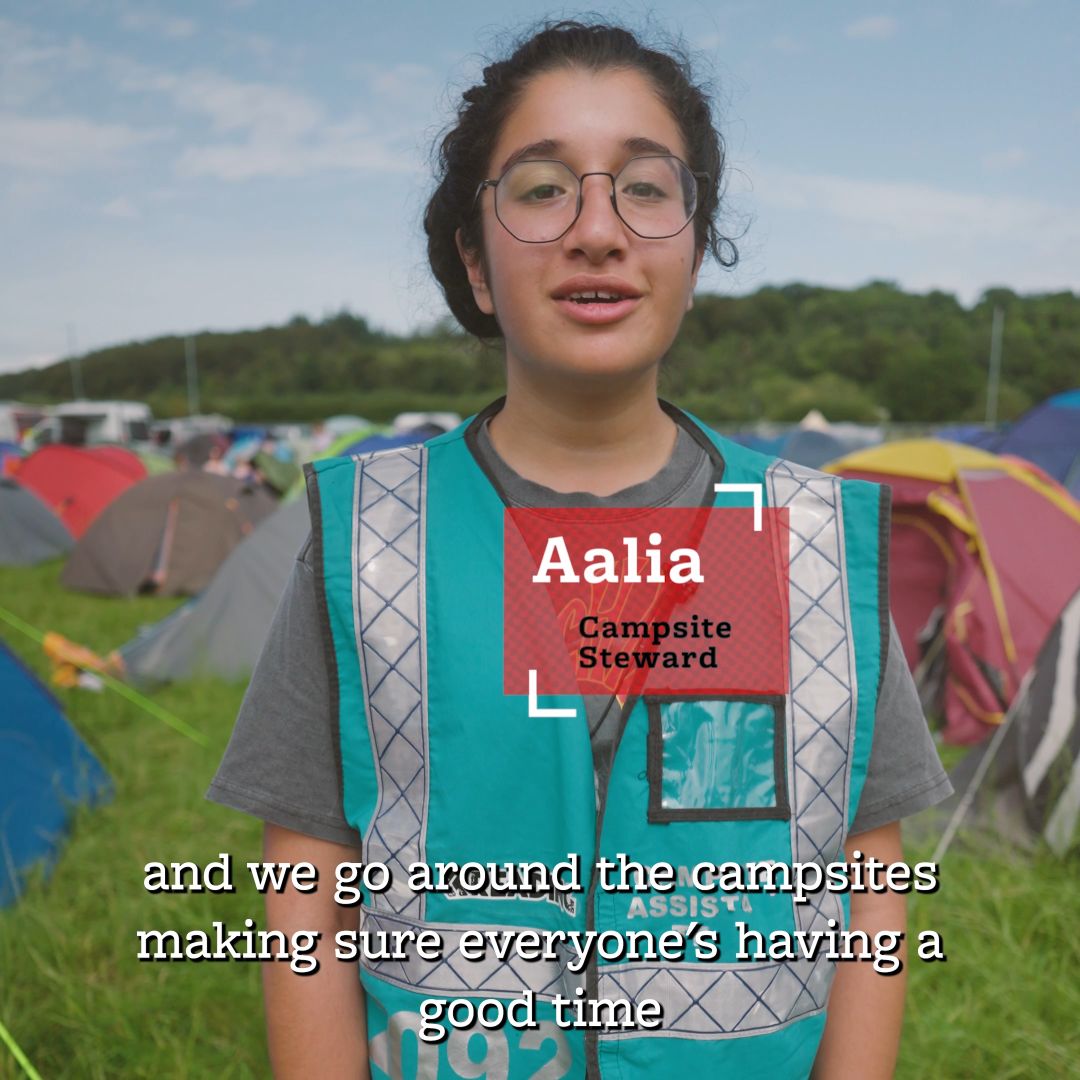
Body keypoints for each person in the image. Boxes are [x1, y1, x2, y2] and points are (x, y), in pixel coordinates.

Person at [208, 19, 952, 1079]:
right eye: (543, 186)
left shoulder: (807, 539)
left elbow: (869, 889)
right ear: (473, 260)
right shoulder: (371, 538)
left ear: (696, 249)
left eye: (646, 189)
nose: (597, 230)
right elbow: (306, 897)